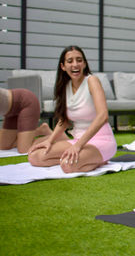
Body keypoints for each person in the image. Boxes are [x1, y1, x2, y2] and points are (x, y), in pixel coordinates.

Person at [28, 45, 117, 173]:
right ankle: (83, 158)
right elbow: (64, 120)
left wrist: (78, 146)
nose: (75, 64)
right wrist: (49, 140)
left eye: (79, 60)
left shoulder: (92, 81)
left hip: (102, 141)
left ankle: (100, 160)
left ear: (85, 64)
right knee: (35, 157)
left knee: (68, 165)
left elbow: (103, 116)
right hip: (77, 140)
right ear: (63, 66)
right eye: (70, 61)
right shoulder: (65, 87)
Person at [0, 88, 52, 153]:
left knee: (24, 149)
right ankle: (40, 131)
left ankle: (54, 137)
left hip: (26, 102)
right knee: (4, 146)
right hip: (11, 111)